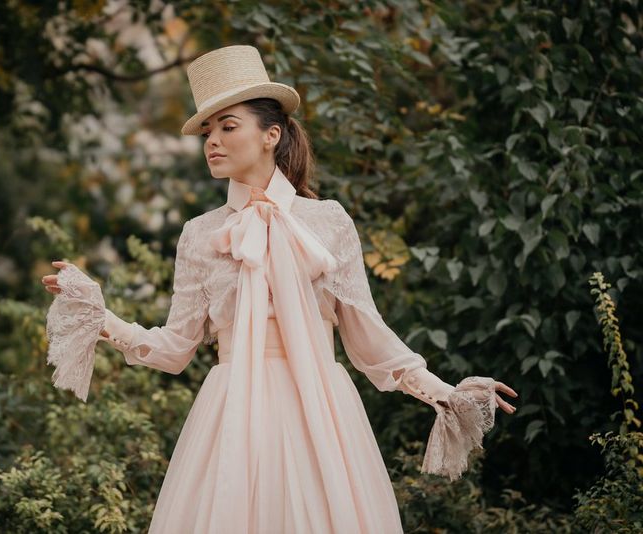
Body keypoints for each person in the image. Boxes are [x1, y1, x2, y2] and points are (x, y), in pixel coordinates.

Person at [41, 44, 518, 533]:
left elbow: (368, 337)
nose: (213, 142)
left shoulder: (328, 221)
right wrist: (100, 319)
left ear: (271, 134)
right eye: (208, 131)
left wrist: (445, 394)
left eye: (228, 127)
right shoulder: (200, 234)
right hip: (232, 416)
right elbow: (175, 348)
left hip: (320, 413)